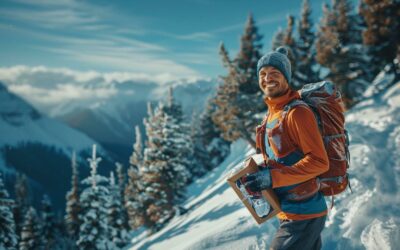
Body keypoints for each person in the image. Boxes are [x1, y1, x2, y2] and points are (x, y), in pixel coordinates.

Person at [242, 46, 330, 250]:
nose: (267, 78)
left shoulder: (297, 113)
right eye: (263, 74)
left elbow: (319, 162)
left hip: (304, 213)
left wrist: (273, 178)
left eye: (275, 73)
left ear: (286, 77)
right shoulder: (272, 115)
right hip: (290, 210)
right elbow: (284, 159)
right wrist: (261, 175)